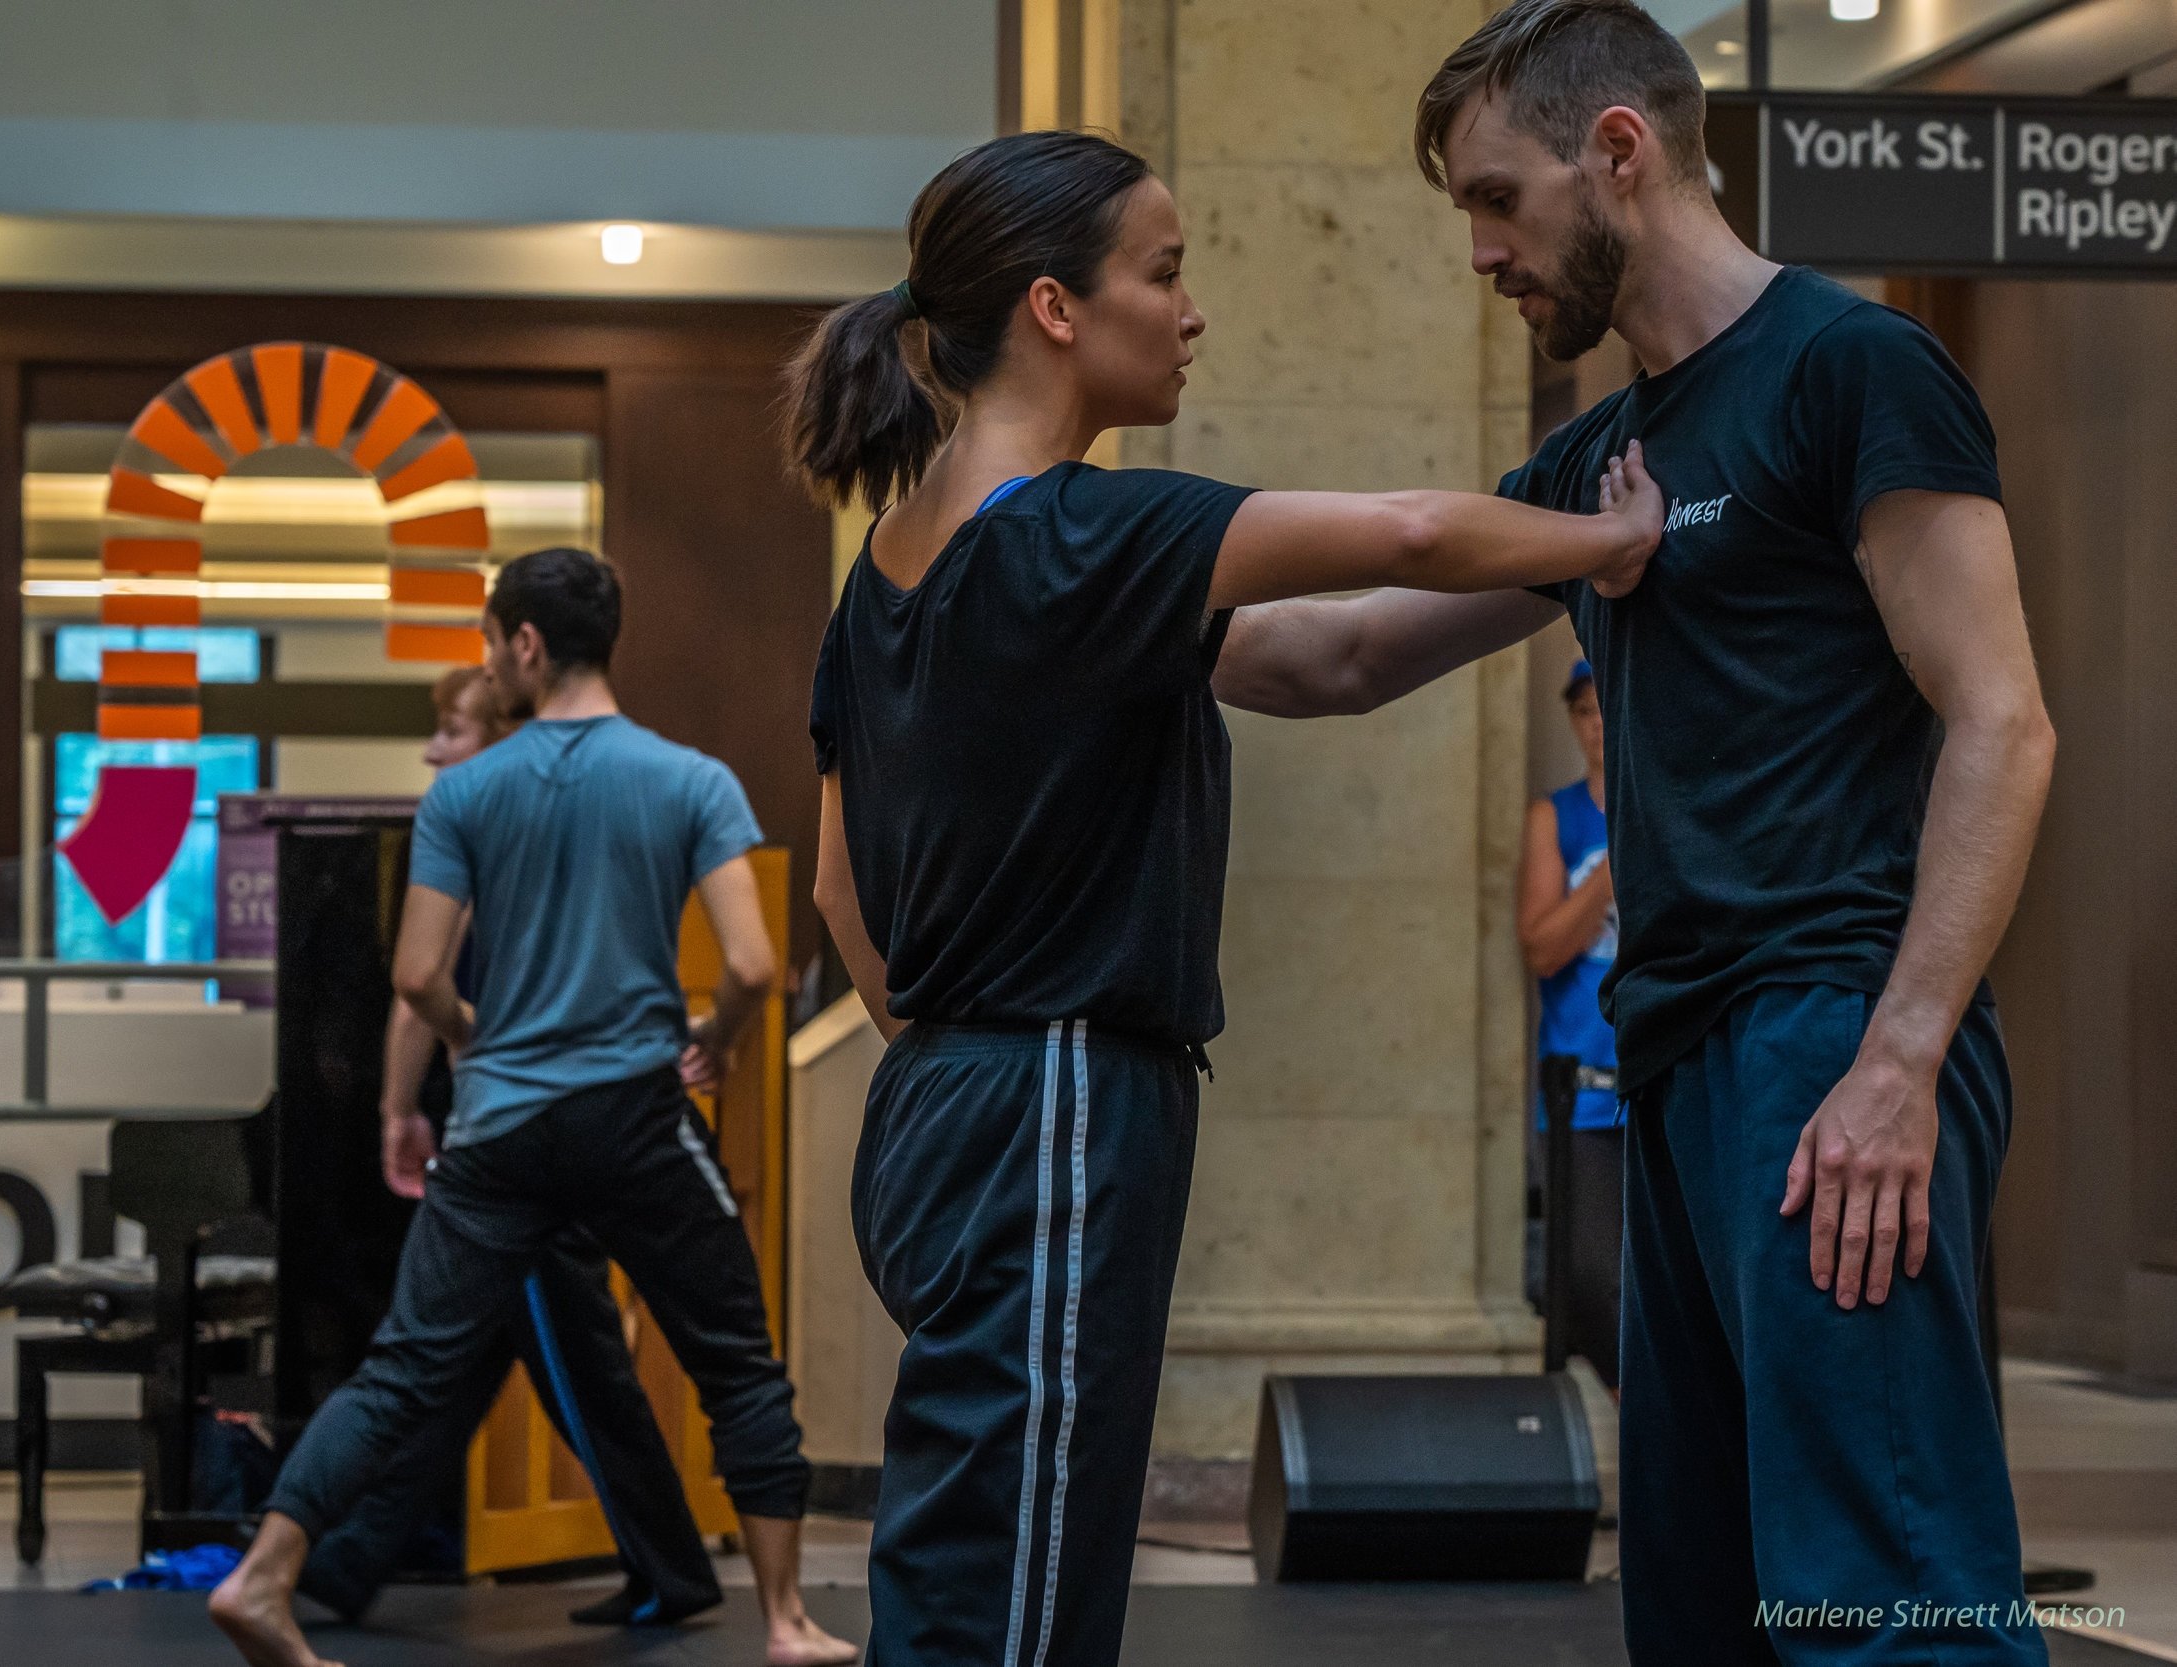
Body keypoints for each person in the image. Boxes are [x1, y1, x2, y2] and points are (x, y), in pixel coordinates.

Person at [1213, 3, 2056, 1660]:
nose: (1480, 252)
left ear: (1618, 153)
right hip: (1675, 1052)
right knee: (1706, 1600)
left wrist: (1899, 1059)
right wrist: (1055, 599)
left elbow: (2003, 723)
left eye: (1495, 200)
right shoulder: (1604, 457)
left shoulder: (1851, 368)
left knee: (1883, 1595)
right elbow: (1346, 651)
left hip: (1832, 1033)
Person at [787, 130, 1660, 1667]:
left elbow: (1339, 656)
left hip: (950, 1103)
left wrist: (949, 1045)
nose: (1190, 311)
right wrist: (1619, 536)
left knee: (974, 1555)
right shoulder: (1076, 528)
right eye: (1165, 271)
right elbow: (1400, 530)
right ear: (1056, 307)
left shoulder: (892, 574)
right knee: (1017, 1601)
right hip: (1052, 1100)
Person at [211, 547, 857, 1667]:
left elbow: (416, 978)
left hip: (501, 1126)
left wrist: (468, 1049)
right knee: (738, 1367)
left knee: (405, 1365)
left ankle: (262, 1577)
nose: (485, 664)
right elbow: (754, 962)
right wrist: (714, 1041)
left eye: (486, 640)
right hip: (634, 1118)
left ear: (523, 643)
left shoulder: (464, 792)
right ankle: (788, 1621)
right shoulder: (690, 779)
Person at [293, 662, 726, 1631]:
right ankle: (347, 1559)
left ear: (493, 745)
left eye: (448, 732)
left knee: (538, 1353)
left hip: (518, 1136)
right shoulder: (549, 835)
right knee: (466, 1352)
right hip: (545, 1123)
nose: (431, 751)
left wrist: (398, 1110)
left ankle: (668, 1563)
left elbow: (422, 986)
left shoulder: (478, 834)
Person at [1520, 658, 1623, 1392]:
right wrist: (1619, 865)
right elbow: (1543, 944)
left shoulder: (1685, 806)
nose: (1598, 727)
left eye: (1607, 708)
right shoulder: (1555, 818)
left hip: (1664, 1077)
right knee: (1587, 1272)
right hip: (1580, 1088)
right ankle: (1648, 1413)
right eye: (1585, 712)